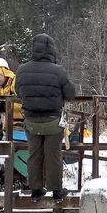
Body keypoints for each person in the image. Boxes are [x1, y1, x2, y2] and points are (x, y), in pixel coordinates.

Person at [16, 33, 76, 202]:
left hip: (31, 121)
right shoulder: (58, 71)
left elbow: (18, 92)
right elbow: (70, 94)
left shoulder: (22, 70)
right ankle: (56, 191)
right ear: (52, 50)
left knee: (34, 154)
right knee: (53, 155)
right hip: (52, 121)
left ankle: (35, 190)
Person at [0, 57, 23, 132]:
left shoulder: (16, 83)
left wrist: (5, 105)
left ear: (4, 72)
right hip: (8, 126)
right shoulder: (1, 88)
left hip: (21, 124)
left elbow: (27, 104)